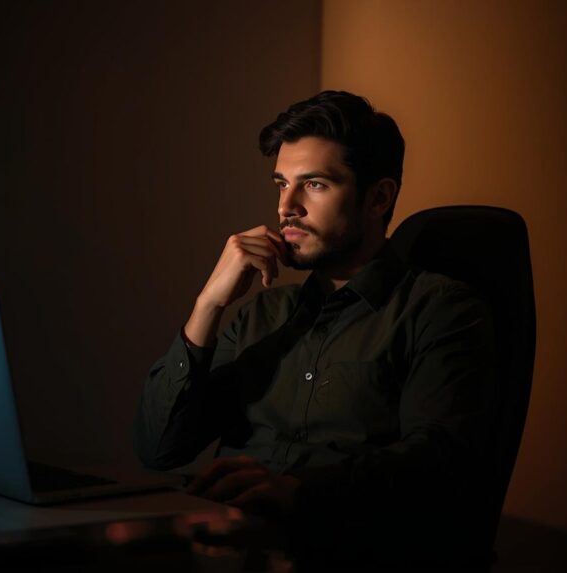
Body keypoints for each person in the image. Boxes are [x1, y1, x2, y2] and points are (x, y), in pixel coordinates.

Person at [133, 90, 498, 567]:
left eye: (316, 185)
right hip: (223, 544)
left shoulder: (440, 310)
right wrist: (207, 306)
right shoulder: (260, 316)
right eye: (281, 183)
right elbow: (160, 450)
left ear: (379, 197)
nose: (287, 207)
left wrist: (299, 491)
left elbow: (438, 464)